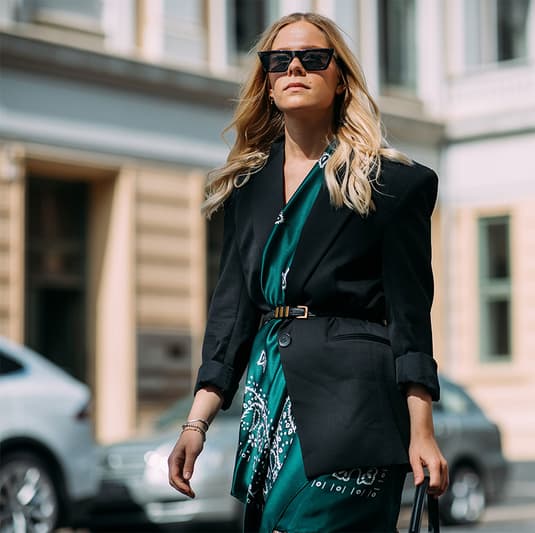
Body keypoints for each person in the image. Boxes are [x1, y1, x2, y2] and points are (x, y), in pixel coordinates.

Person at [166, 12, 448, 532]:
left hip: (354, 412)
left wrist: (422, 429)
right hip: (268, 408)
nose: (294, 66)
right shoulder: (247, 188)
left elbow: (411, 318)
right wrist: (196, 422)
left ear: (340, 79)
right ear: (268, 83)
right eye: (279, 60)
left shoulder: (390, 185)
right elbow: (231, 313)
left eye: (313, 58)